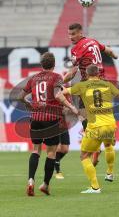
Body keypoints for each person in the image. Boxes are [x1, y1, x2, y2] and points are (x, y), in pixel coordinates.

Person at [56, 64, 119, 193]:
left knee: (84, 156)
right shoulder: (107, 84)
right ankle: (110, 172)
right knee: (109, 145)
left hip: (95, 126)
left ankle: (95, 187)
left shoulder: (82, 86)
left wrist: (69, 105)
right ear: (98, 74)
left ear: (87, 74)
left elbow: (60, 94)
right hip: (110, 124)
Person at [19, 52, 77, 196]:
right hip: (52, 118)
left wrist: (28, 103)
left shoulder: (33, 78)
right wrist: (71, 107)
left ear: (41, 64)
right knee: (51, 152)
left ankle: (31, 180)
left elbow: (20, 97)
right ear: (53, 64)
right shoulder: (56, 77)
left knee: (35, 150)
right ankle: (45, 184)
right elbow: (58, 94)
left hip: (36, 118)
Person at [63, 23, 118, 166]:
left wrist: (60, 82)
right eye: (69, 34)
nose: (70, 37)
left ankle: (95, 146)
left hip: (89, 85)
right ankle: (107, 139)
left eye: (73, 34)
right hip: (103, 84)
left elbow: (73, 72)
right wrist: (115, 55)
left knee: (82, 114)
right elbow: (109, 51)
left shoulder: (77, 48)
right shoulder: (93, 41)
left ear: (81, 32)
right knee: (103, 113)